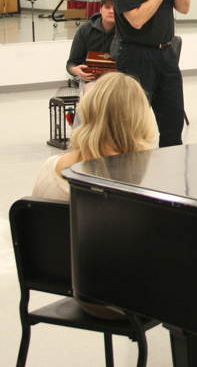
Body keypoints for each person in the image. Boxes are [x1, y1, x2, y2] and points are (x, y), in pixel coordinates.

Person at [32, 72, 155, 319]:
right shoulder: (143, 187)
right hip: (124, 299)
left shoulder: (51, 167)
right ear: (140, 118)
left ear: (88, 110)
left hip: (69, 285)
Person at [111, 0, 190, 147]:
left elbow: (184, 8)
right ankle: (131, 171)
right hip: (136, 56)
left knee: (174, 118)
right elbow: (137, 20)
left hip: (166, 53)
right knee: (133, 121)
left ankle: (171, 169)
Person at [65, 0, 116, 84]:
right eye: (107, 7)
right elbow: (71, 63)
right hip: (91, 80)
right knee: (90, 92)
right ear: (100, 9)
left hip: (117, 81)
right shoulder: (85, 30)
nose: (111, 11)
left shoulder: (127, 32)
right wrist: (76, 71)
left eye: (115, 7)